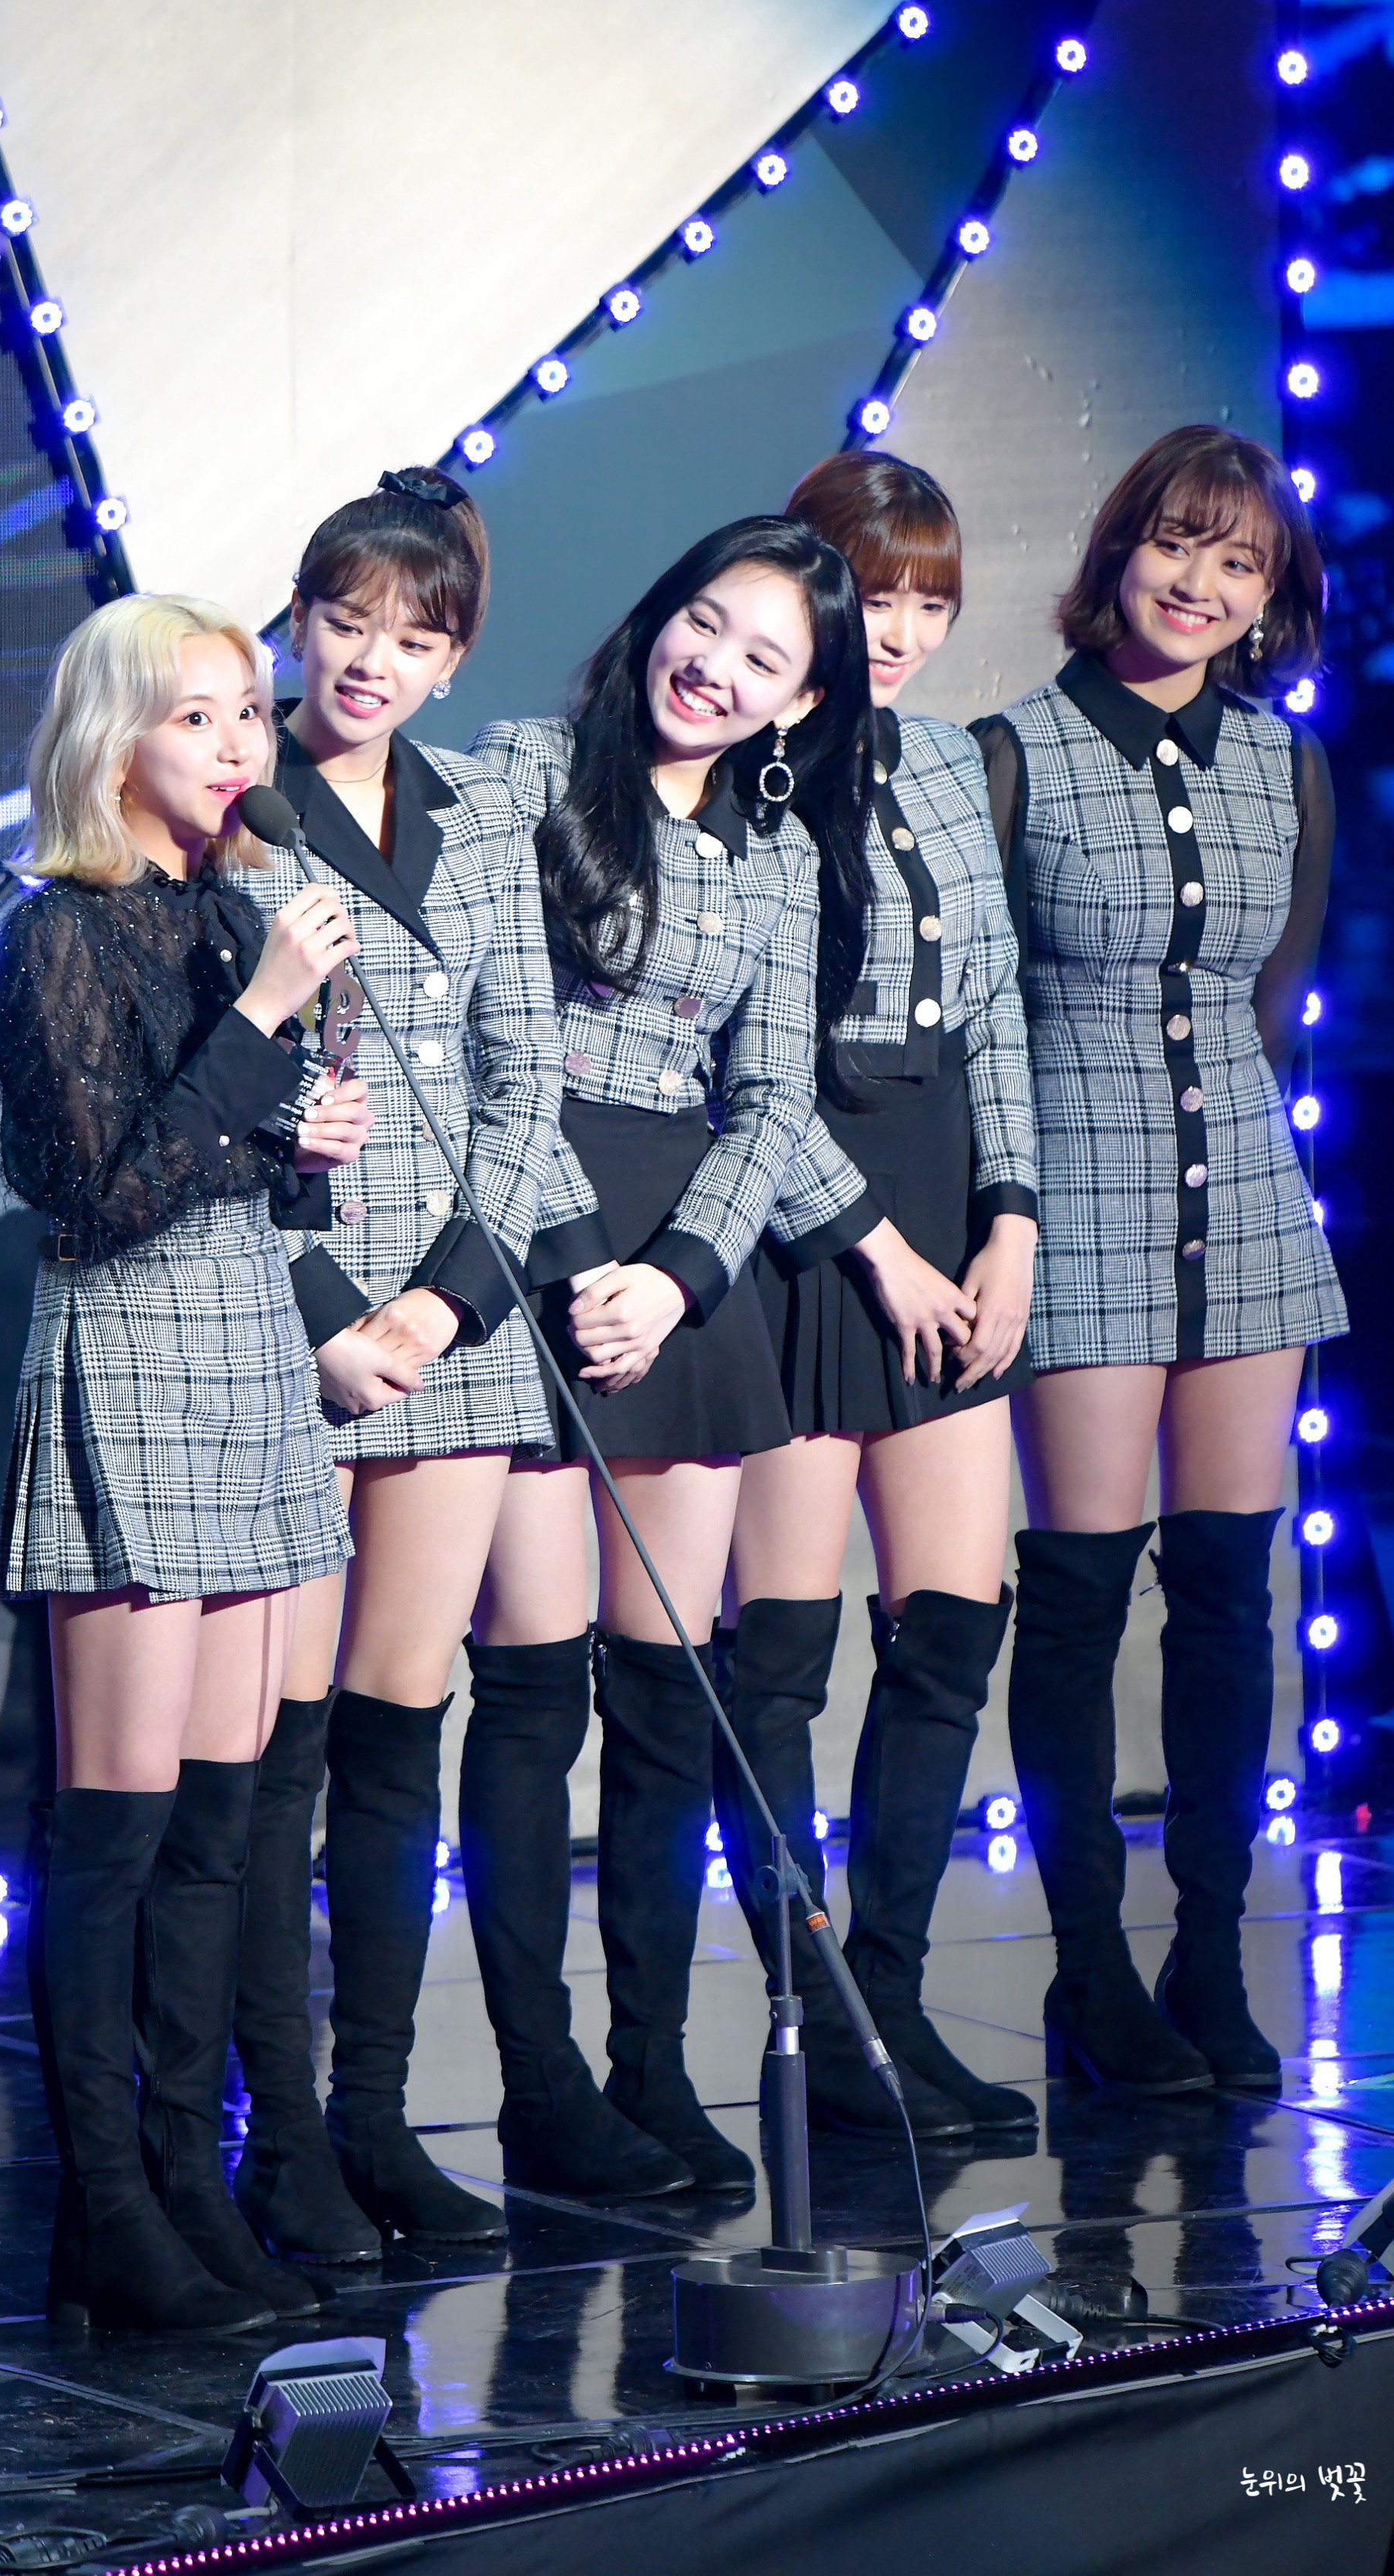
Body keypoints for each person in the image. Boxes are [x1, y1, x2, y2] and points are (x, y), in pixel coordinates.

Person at [231, 470, 614, 2260]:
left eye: (411, 633)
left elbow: (526, 1087)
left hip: (450, 1322)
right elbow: (200, 1078)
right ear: (299, 622)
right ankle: (274, 2134)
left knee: (399, 1729)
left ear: (454, 659)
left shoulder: (474, 815)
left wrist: (446, 1303)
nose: (371, 658)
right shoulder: (235, 801)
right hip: (285, 1314)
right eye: (345, 620)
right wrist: (328, 1309)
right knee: (277, 1747)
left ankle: (374, 2117)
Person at [473, 516, 878, 2193]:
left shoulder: (779, 854)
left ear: (799, 703)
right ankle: (538, 2085)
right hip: (515, 1230)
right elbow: (496, 1040)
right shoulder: (520, 776)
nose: (712, 664)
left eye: (761, 655)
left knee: (664, 1696)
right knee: (527, 1691)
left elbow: (772, 1098)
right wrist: (584, 1268)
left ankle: (651, 2071)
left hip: (682, 1269)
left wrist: (682, 1276)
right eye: (702, 621)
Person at [0, 593, 371, 2335]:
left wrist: (311, 1140)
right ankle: (105, 2214)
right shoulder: (59, 936)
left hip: (247, 1352)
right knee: (121, 1831)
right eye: (196, 716)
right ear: (112, 740)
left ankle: (191, 2184)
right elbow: (100, 1192)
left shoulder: (233, 913)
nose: (237, 746)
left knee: (224, 1821)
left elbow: (234, 1166)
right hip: (133, 1351)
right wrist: (264, 1022)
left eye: (246, 714)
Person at [974, 428, 1343, 2097]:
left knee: (1225, 1593)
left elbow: (1277, 988)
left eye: (1238, 561)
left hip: (1246, 1203)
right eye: (1177, 544)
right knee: (1074, 1595)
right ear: (1118, 548)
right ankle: (1088, 1970)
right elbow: (980, 1016)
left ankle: (1208, 1950)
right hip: (1076, 1201)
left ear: (1270, 596)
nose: (1199, 583)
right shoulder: (1014, 754)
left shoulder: (1286, 766)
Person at [716, 453, 1039, 2146]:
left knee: (952, 1622)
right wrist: (872, 1244)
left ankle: (892, 1996)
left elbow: (995, 1012)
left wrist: (1014, 1217)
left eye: (928, 600)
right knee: (777, 1650)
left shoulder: (946, 762)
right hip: (794, 1220)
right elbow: (738, 1059)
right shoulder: (748, 774)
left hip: (942, 1184)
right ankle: (818, 2013)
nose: (899, 631)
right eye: (874, 594)